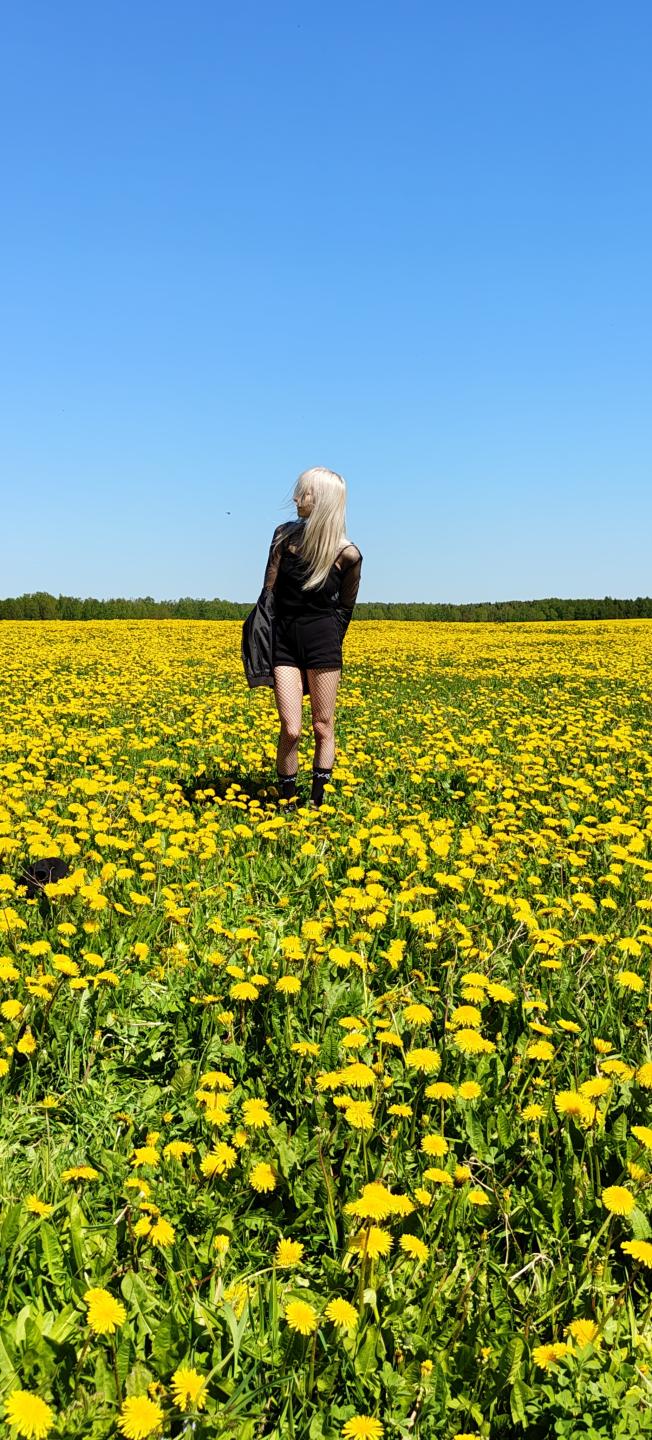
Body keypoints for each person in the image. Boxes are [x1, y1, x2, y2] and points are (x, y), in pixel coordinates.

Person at [261, 467, 363, 808]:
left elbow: (345, 609)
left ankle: (317, 804)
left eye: (303, 492)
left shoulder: (349, 554)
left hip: (323, 642)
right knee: (291, 728)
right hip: (284, 641)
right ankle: (288, 803)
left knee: (322, 726)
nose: (295, 498)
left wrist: (330, 644)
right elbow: (268, 595)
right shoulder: (283, 537)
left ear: (321, 501)